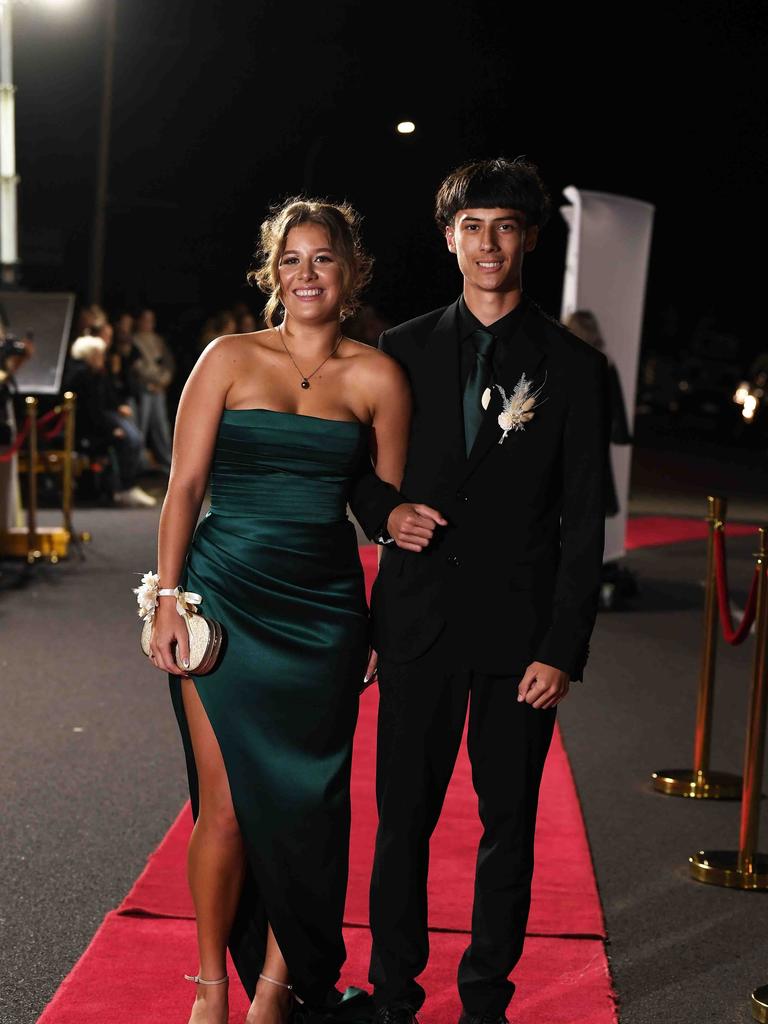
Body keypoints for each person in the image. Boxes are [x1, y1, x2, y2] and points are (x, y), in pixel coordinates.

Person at [146, 197, 421, 1024]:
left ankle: (275, 990)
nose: (307, 275)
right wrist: (166, 597)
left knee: (304, 811)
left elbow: (384, 518)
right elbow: (184, 487)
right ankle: (210, 986)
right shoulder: (227, 358)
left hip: (324, 614)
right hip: (222, 598)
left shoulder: (378, 377)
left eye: (323, 259)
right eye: (292, 260)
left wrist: (379, 625)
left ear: (351, 274)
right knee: (226, 805)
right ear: (274, 275)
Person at [349, 157, 609, 1024]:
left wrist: (561, 646)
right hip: (417, 623)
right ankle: (392, 996)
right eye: (472, 226)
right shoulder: (401, 348)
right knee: (402, 827)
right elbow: (358, 477)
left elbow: (583, 523)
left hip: (520, 638)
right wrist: (389, 517)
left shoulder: (573, 368)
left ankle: (486, 1001)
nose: (488, 242)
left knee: (508, 831)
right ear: (449, 238)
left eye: (505, 226)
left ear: (529, 238)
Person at [64, 335, 156, 508]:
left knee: (135, 438)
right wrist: (111, 430)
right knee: (130, 439)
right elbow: (89, 411)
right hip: (89, 425)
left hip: (104, 418)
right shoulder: (80, 375)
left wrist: (119, 405)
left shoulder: (97, 373)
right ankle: (124, 488)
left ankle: (127, 486)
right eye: (98, 355)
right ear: (89, 355)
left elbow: (108, 397)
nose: (102, 358)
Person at [133, 308, 175, 471]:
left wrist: (163, 381)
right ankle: (138, 463)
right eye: (145, 320)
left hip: (158, 389)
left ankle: (167, 462)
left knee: (161, 426)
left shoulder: (158, 340)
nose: (149, 323)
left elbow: (168, 363)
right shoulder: (135, 340)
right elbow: (139, 367)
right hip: (144, 388)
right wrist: (152, 380)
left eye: (151, 320)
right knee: (141, 425)